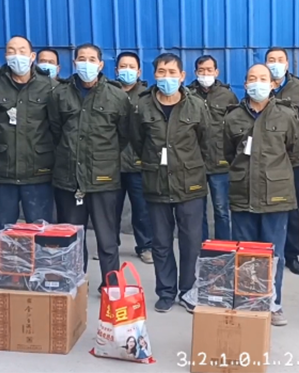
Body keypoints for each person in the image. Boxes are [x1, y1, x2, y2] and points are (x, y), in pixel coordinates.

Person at [224, 63, 299, 326]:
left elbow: (295, 153)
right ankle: (248, 301)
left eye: (262, 79)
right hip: (243, 194)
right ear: (245, 84)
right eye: (251, 78)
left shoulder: (286, 115)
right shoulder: (233, 117)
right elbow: (228, 153)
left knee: (273, 253)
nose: (257, 83)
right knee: (245, 253)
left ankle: (273, 303)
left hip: (276, 195)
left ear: (272, 84)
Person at [130, 53, 209, 314]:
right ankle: (165, 291)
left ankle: (188, 291)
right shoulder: (142, 106)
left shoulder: (196, 105)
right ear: (154, 75)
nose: (167, 78)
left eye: (172, 72)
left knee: (191, 242)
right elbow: (137, 140)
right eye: (162, 72)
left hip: (190, 185)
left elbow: (206, 142)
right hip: (156, 183)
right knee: (161, 242)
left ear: (182, 76)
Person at [0, 35, 57, 292]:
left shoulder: (49, 86)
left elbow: (55, 126)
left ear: (32, 56)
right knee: (2, 228)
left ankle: (40, 274)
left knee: (40, 228)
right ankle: (1, 274)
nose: (16, 55)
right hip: (4, 168)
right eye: (11, 50)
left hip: (38, 168)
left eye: (22, 50)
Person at [50, 43, 129, 292]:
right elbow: (55, 131)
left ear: (101, 64)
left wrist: (103, 158)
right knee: (72, 237)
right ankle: (75, 283)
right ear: (74, 63)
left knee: (107, 240)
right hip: (69, 178)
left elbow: (124, 136)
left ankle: (110, 286)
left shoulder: (116, 96)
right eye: (81, 59)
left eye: (92, 59)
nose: (86, 63)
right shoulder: (60, 94)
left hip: (104, 179)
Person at [265, 47, 299, 275]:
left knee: (291, 205)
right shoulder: (261, 84)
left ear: (287, 64)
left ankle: (292, 255)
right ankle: (266, 252)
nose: (275, 63)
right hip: (264, 158)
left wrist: (290, 147)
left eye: (279, 59)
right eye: (271, 59)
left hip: (291, 159)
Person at [187, 55, 238, 241]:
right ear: (195, 72)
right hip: (195, 163)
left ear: (217, 72)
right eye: (201, 70)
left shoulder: (227, 96)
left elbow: (236, 126)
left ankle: (223, 247)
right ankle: (201, 246)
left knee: (221, 209)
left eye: (209, 70)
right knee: (197, 210)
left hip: (220, 162)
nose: (205, 74)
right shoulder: (188, 95)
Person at [114, 51, 153, 264]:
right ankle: (109, 246)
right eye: (123, 66)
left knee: (142, 210)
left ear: (139, 71)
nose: (127, 70)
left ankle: (145, 246)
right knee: (110, 210)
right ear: (116, 70)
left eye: (131, 67)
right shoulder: (108, 94)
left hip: (139, 164)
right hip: (112, 163)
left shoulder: (147, 97)